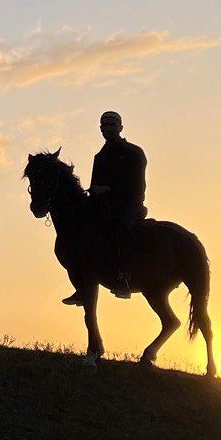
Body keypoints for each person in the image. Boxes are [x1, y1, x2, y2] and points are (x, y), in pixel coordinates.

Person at [62, 110, 147, 305]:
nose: (108, 128)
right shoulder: (99, 156)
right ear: (100, 129)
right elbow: (95, 185)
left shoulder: (134, 152)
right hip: (105, 206)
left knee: (122, 228)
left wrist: (108, 189)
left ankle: (124, 277)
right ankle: (82, 286)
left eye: (112, 125)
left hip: (129, 206)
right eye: (105, 125)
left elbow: (137, 186)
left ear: (120, 128)